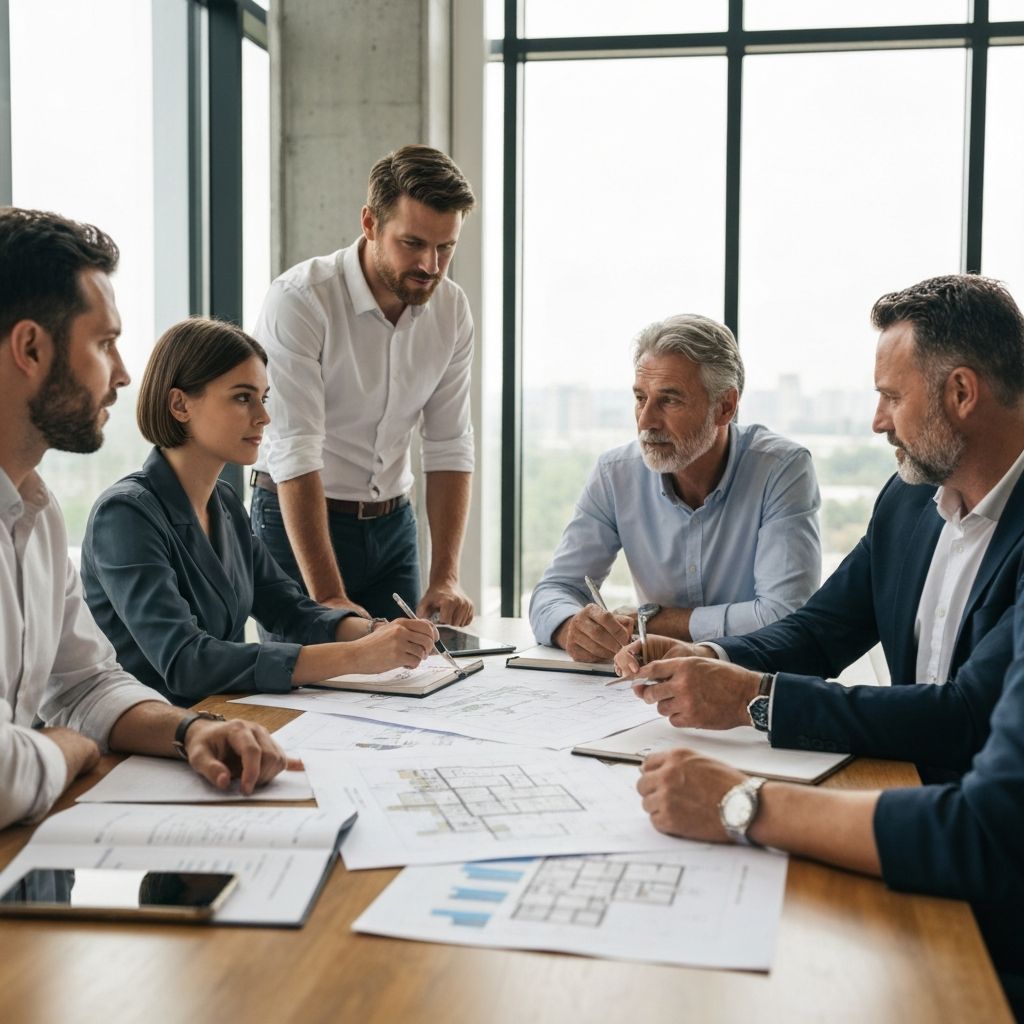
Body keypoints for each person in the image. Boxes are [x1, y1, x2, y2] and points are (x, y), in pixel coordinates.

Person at [614, 274, 1024, 783]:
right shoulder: (908, 501)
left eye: (892, 397)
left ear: (961, 392)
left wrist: (754, 699)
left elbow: (968, 714)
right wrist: (709, 656)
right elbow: (820, 632)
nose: (879, 421)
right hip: (902, 788)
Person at [0, 207, 293, 830]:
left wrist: (190, 731)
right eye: (104, 343)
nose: (124, 373)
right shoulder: (123, 511)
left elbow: (85, 685)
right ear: (30, 348)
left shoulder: (37, 515)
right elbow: (8, 771)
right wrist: (67, 746)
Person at [627, 575, 1024, 1017]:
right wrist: (709, 657)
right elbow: (821, 628)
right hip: (908, 819)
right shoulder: (905, 523)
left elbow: (987, 811)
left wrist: (741, 801)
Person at [81, 318, 438, 707]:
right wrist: (356, 656)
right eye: (242, 397)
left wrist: (376, 631)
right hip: (144, 728)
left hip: (216, 718)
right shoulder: (124, 516)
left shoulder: (225, 504)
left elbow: (289, 609)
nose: (263, 417)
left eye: (263, 398)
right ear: (180, 404)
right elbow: (186, 662)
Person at [249, 144, 477, 626]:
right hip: (297, 521)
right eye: (413, 243)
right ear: (370, 223)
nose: (431, 265)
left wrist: (446, 576)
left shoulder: (452, 310)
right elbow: (296, 450)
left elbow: (449, 444)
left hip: (393, 528)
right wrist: (328, 596)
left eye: (446, 247)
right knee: (311, 669)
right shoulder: (300, 300)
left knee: (410, 669)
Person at [529, 314, 821, 663]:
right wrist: (570, 627)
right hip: (649, 683)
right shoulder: (615, 473)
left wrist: (653, 621)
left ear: (725, 407)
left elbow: (786, 616)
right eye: (641, 398)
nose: (646, 421)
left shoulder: (781, 469)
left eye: (669, 400)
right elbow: (555, 590)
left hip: (752, 678)